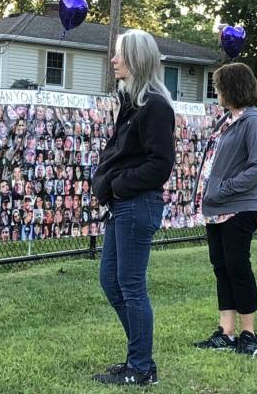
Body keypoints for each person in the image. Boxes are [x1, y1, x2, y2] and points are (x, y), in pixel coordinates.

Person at [90, 30, 175, 386]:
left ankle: (141, 367)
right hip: (125, 205)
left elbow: (161, 164)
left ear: (136, 59)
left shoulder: (155, 105)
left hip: (137, 205)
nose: (113, 60)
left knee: (131, 285)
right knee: (111, 280)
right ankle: (137, 357)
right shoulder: (133, 101)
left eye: (119, 54)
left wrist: (119, 186)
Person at [191, 63, 257, 357]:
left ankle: (249, 334)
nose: (216, 91)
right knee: (221, 267)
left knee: (238, 267)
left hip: (238, 208)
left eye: (220, 85)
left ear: (234, 87)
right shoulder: (226, 120)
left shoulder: (253, 121)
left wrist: (224, 189)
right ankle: (226, 332)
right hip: (216, 208)